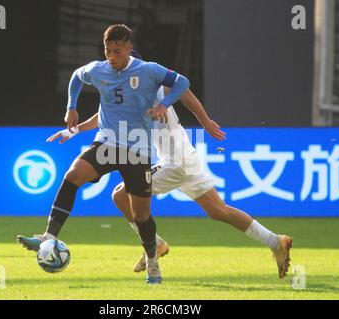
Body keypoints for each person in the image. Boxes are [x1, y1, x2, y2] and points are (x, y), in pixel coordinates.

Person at [48, 49, 293, 279]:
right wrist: (75, 130)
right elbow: (100, 118)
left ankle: (155, 244)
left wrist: (206, 122)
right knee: (219, 211)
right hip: (186, 158)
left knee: (121, 195)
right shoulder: (121, 93)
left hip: (176, 163)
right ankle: (275, 241)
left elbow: (185, 92)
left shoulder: (152, 84)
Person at [17, 24, 190, 285]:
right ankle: (49, 236)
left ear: (129, 48)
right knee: (73, 174)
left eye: (117, 51)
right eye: (108, 51)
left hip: (136, 149)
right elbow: (76, 76)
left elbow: (182, 82)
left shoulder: (148, 70)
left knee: (141, 215)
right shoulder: (99, 70)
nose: (112, 56)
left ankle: (152, 263)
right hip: (107, 144)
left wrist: (164, 104)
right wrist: (71, 107)